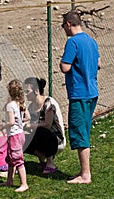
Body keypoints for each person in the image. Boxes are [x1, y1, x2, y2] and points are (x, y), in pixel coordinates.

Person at [60, 10, 101, 184]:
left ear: (68, 24)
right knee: (84, 129)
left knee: (80, 133)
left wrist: (62, 62)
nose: (63, 29)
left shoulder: (73, 42)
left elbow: (65, 67)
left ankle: (85, 175)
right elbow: (98, 64)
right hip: (92, 91)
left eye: (63, 26)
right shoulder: (91, 41)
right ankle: (83, 171)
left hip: (80, 93)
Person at [23, 77, 66, 174]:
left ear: (36, 91)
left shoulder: (48, 103)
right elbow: (30, 121)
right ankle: (41, 158)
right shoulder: (31, 107)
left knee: (40, 131)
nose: (25, 94)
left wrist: (30, 126)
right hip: (43, 137)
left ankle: (51, 163)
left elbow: (47, 124)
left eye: (27, 91)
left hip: (55, 139)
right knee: (21, 136)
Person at [0, 79, 29, 192]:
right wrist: (20, 119)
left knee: (18, 159)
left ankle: (24, 183)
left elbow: (11, 122)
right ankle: (10, 180)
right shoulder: (21, 103)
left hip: (14, 135)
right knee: (10, 158)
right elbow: (27, 117)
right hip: (20, 134)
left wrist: (2, 127)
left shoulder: (10, 105)